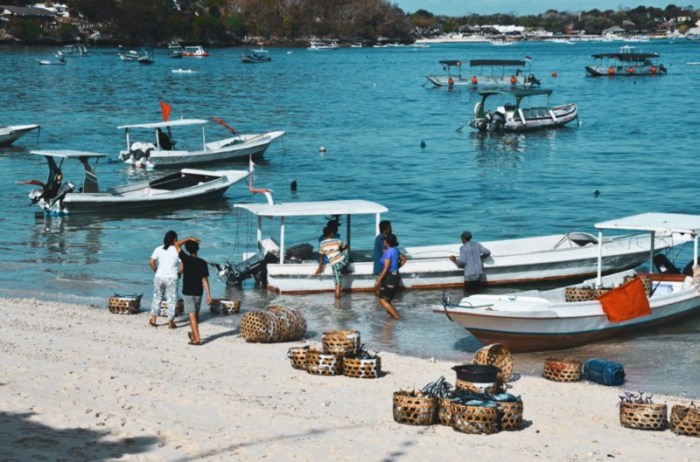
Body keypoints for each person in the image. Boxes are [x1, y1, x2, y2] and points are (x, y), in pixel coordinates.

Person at [175, 237, 212, 346]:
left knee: (192, 315)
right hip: (198, 292)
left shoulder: (185, 259)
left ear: (187, 249)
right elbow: (205, 280)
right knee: (194, 315)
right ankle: (193, 335)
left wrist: (189, 238)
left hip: (187, 291)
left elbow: (177, 244)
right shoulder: (202, 263)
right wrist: (208, 294)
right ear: (198, 249)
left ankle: (197, 339)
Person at [149, 230, 182, 329]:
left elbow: (151, 262)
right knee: (171, 299)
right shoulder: (177, 250)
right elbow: (183, 263)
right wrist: (180, 272)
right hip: (172, 277)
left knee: (157, 297)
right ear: (175, 240)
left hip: (159, 277)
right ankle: (170, 322)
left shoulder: (158, 249)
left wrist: (156, 271)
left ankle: (154, 319)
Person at [374, 233, 406, 319]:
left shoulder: (389, 252)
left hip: (389, 277)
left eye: (384, 240)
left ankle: (397, 317)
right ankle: (391, 321)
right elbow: (404, 259)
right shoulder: (395, 250)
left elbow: (386, 268)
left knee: (382, 300)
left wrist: (379, 280)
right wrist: (396, 267)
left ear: (386, 242)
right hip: (395, 276)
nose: (383, 241)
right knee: (387, 300)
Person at [315, 226, 349, 299]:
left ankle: (337, 302)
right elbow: (346, 246)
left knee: (337, 284)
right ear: (331, 234)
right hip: (343, 260)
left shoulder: (322, 244)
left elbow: (321, 257)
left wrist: (319, 269)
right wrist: (344, 252)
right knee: (346, 253)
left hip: (335, 264)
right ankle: (345, 267)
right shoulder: (337, 241)